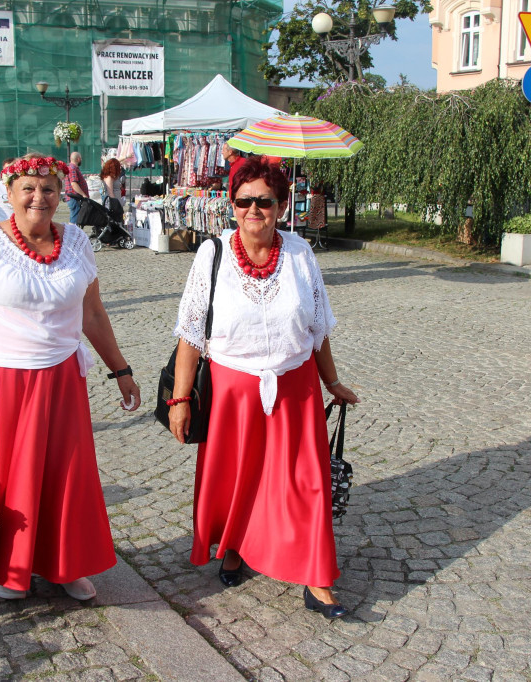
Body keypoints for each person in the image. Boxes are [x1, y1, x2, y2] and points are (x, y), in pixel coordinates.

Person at [0, 153, 140, 602]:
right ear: (8, 194)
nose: (38, 197)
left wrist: (120, 369)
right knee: (10, 481)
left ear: (60, 195)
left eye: (48, 189)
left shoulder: (77, 244)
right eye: (28, 188)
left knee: (64, 478)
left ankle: (64, 564)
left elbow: (92, 312)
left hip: (61, 379)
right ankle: (10, 571)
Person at [168, 155, 360, 619]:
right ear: (231, 205)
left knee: (305, 483)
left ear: (281, 204)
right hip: (233, 391)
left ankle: (318, 579)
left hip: (295, 388)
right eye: (243, 201)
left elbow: (318, 328)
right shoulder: (211, 254)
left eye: (265, 201)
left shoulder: (299, 254)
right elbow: (191, 334)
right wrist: (179, 400)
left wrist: (331, 381)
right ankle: (234, 548)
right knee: (239, 479)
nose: (254, 210)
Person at [100, 157, 125, 222]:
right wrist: (117, 206)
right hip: (112, 204)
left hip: (117, 201)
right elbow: (110, 193)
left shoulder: (113, 177)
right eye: (118, 166)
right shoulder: (109, 178)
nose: (120, 168)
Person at [66, 151, 89, 225]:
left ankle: (72, 233)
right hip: (74, 198)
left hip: (75, 198)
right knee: (74, 219)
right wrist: (83, 194)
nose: (81, 160)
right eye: (81, 158)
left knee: (75, 218)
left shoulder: (73, 168)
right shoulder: (72, 168)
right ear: (78, 159)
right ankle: (71, 234)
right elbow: (74, 184)